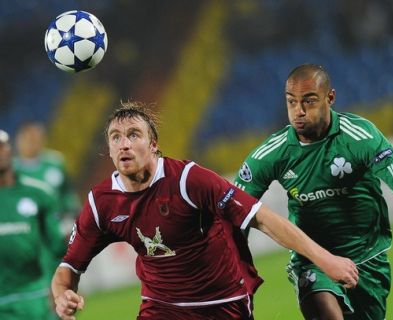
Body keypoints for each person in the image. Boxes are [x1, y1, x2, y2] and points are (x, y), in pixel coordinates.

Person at [51, 102, 359, 320]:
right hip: (161, 306)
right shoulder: (101, 202)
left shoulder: (189, 180)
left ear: (154, 144)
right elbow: (69, 268)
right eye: (115, 138)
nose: (124, 144)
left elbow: (263, 219)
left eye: (134, 134)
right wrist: (63, 294)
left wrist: (326, 260)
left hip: (223, 301)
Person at [234, 64, 393, 320]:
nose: (299, 111)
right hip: (313, 260)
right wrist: (233, 278)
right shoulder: (271, 154)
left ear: (330, 98)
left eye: (309, 101)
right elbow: (233, 214)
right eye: (291, 102)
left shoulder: (360, 137)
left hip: (369, 261)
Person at [0, 129, 66, 319]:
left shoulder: (38, 193)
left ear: (9, 149)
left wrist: (64, 286)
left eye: (2, 146)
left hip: (36, 297)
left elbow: (57, 247)